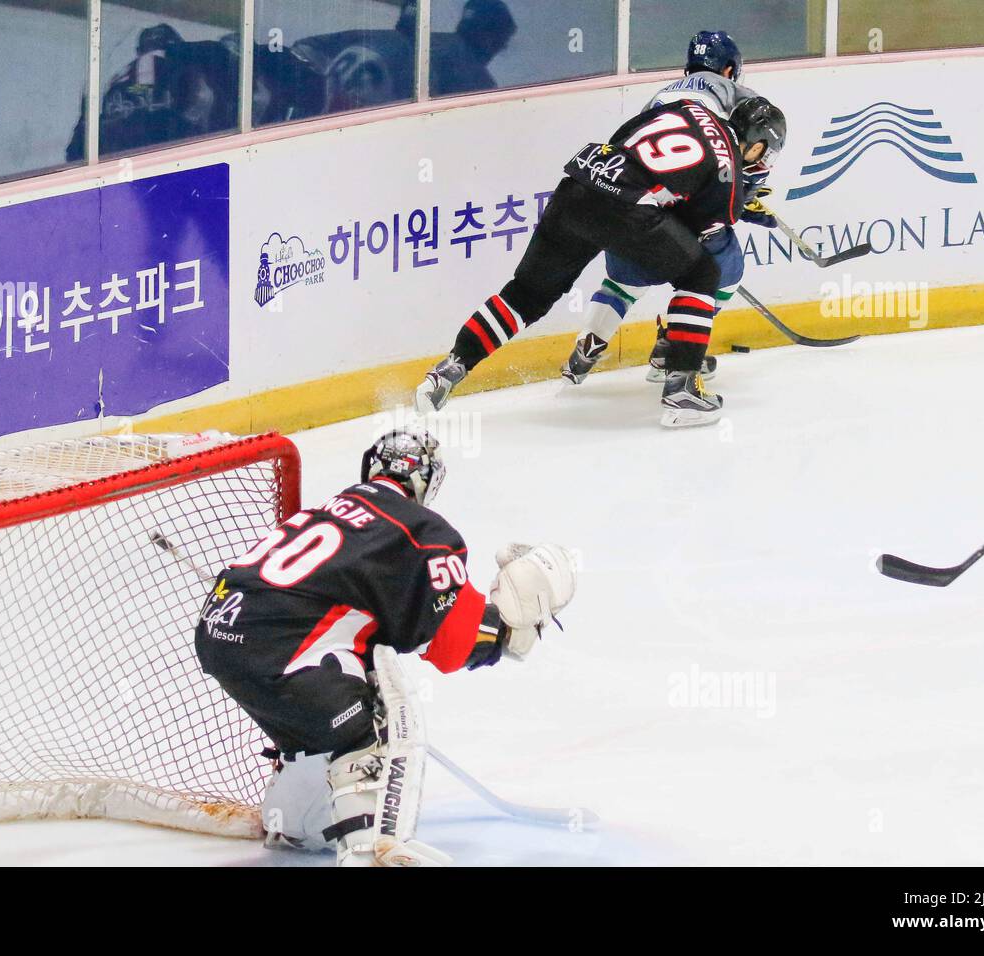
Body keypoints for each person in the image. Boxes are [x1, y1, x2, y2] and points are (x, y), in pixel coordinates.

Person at [195, 427, 577, 866]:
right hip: (284, 652)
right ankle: (365, 853)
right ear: (426, 482)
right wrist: (515, 625)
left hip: (219, 635)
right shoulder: (423, 531)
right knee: (376, 718)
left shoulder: (329, 512)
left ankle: (297, 826)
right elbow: (451, 647)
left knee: (334, 700)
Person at [414, 80, 786, 427]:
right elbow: (695, 228)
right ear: (755, 144)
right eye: (764, 152)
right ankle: (681, 391)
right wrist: (740, 209)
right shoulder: (732, 170)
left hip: (579, 186)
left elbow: (625, 140)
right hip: (625, 208)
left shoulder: (688, 107)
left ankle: (450, 368)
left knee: (527, 293)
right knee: (702, 274)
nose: (762, 161)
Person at [562, 31, 782, 390]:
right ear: (729, 69)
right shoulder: (736, 95)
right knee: (724, 270)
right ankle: (673, 350)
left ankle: (586, 347)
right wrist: (745, 196)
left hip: (629, 201)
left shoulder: (661, 95)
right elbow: (756, 138)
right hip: (689, 202)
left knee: (623, 279)